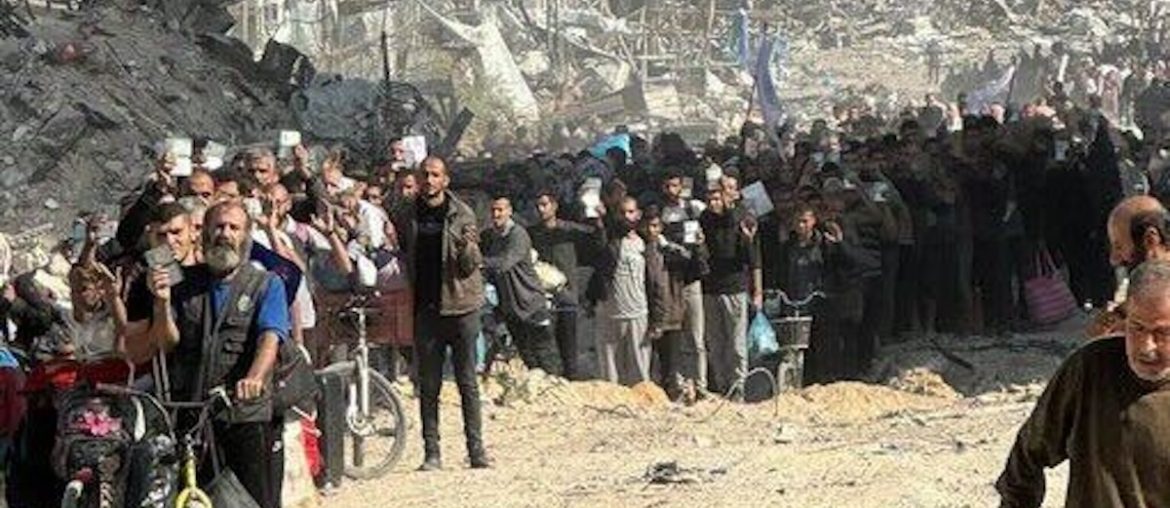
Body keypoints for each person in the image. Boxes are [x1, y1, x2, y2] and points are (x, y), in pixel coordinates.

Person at [133, 201, 289, 508]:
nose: (225, 234)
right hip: (192, 414)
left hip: (244, 415)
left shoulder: (266, 284)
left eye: (233, 228)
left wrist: (255, 378)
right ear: (203, 234)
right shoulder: (182, 282)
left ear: (246, 235)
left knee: (251, 501)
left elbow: (270, 338)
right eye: (218, 227)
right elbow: (165, 343)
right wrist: (161, 303)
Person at [996, 259, 1170, 507]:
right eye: (1137, 328)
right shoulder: (1091, 367)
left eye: (1163, 333)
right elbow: (1030, 451)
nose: (1146, 347)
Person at [396, 156, 489, 471]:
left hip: (461, 306)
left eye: (435, 175)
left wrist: (468, 248)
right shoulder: (409, 214)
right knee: (429, 384)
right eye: (425, 175)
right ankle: (432, 452)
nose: (430, 180)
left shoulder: (461, 213)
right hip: (426, 308)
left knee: (467, 382)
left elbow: (469, 266)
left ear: (445, 180)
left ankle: (476, 450)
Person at [527, 189, 604, 379]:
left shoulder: (569, 230)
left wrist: (599, 221)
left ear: (554, 206)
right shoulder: (532, 233)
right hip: (542, 296)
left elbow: (597, 242)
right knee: (546, 344)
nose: (541, 209)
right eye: (538, 206)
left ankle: (571, 382)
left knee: (568, 345)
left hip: (567, 294)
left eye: (544, 205)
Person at [481, 196, 562, 375]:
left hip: (530, 303)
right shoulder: (493, 237)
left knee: (544, 353)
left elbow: (506, 262)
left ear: (509, 211)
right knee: (526, 353)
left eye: (500, 210)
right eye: (493, 210)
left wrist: (480, 262)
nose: (496, 214)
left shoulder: (518, 234)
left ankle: (554, 385)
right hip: (511, 308)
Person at [699, 186, 761, 397]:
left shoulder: (738, 219)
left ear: (726, 199)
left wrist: (757, 290)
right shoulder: (704, 220)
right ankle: (721, 384)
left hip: (734, 287)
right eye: (709, 199)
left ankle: (738, 386)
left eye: (717, 199)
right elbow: (703, 257)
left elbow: (751, 259)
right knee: (715, 341)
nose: (713, 203)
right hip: (710, 288)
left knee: (736, 342)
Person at [657, 173, 710, 395]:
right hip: (671, 280)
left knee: (696, 337)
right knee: (674, 337)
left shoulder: (694, 208)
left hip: (691, 280)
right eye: (668, 185)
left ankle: (701, 385)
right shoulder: (660, 212)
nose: (672, 189)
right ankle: (678, 384)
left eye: (675, 185)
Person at [591, 196, 651, 385]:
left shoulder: (645, 241)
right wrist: (600, 222)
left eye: (631, 212)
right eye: (622, 212)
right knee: (610, 372)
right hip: (611, 313)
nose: (627, 216)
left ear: (638, 214)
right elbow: (598, 250)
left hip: (637, 312)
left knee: (639, 370)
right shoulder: (610, 240)